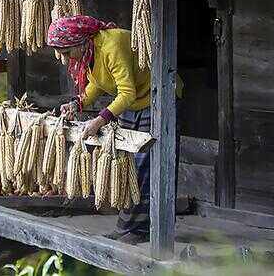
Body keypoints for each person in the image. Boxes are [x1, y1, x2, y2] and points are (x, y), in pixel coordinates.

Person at [47, 15, 177, 245]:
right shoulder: (89, 52)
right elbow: (97, 83)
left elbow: (126, 93)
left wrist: (99, 120)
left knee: (145, 166)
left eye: (67, 53)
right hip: (134, 103)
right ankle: (127, 226)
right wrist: (77, 103)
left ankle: (143, 230)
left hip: (157, 98)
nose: (66, 60)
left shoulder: (111, 45)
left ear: (78, 42)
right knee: (126, 165)